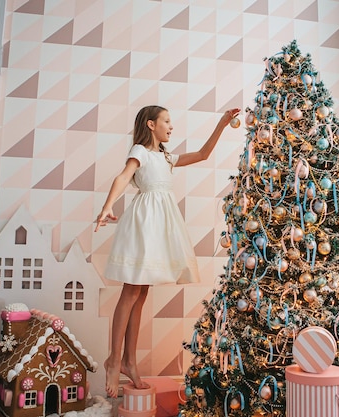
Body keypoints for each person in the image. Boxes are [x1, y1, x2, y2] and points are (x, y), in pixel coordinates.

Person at [94, 105, 241, 398]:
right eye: (167, 122)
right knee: (131, 292)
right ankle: (113, 360)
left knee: (141, 292)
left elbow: (202, 155)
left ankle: (129, 362)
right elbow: (123, 177)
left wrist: (223, 124)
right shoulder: (141, 151)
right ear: (151, 125)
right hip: (144, 223)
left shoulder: (165, 157)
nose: (171, 127)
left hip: (160, 225)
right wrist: (108, 205)